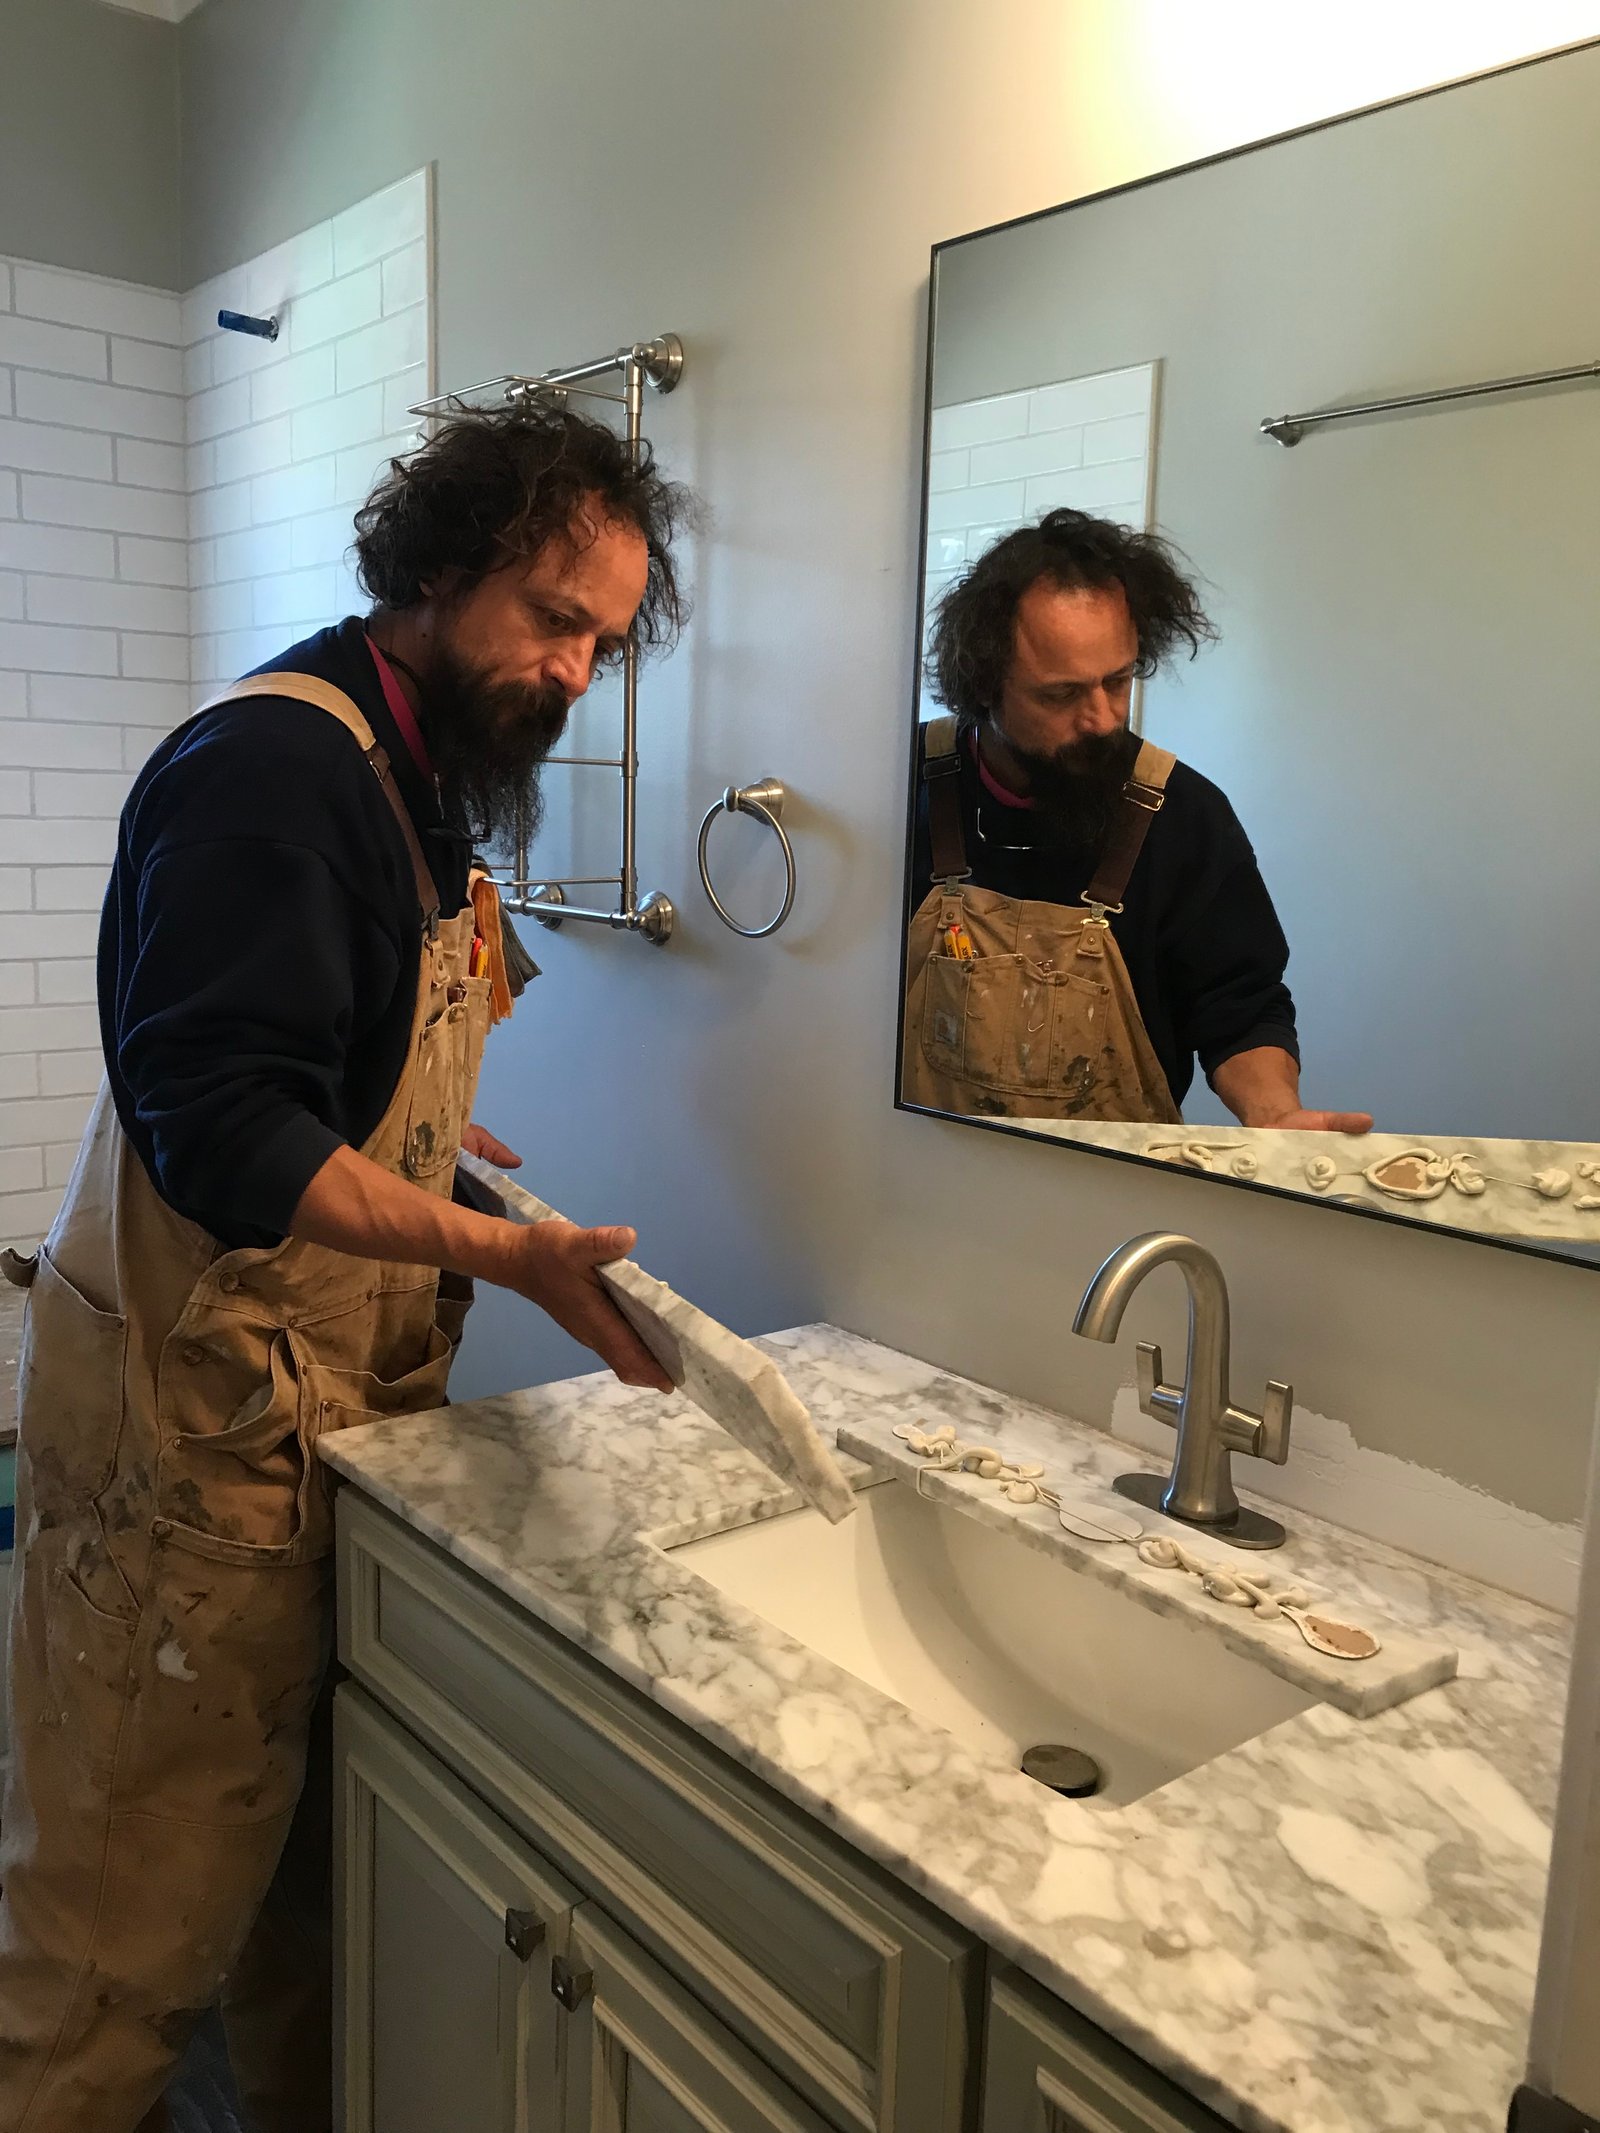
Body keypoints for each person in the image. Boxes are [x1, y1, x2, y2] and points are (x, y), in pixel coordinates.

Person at [0, 402, 690, 2133]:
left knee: (306, 1893)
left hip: (313, 1427)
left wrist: (425, 1151)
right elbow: (224, 1120)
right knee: (111, 1935)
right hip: (196, 1441)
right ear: (440, 570)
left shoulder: (414, 765)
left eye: (605, 638)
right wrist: (501, 1250)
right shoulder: (280, 772)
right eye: (552, 618)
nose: (577, 672)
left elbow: (319, 1053)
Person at [903, 509, 1371, 1133]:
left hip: (1113, 1192)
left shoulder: (1184, 815)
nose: (1102, 719)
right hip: (915, 1170)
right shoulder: (893, 782)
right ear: (983, 685)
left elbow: (1239, 1006)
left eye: (1118, 681)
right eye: (1060, 694)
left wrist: (1275, 1113)